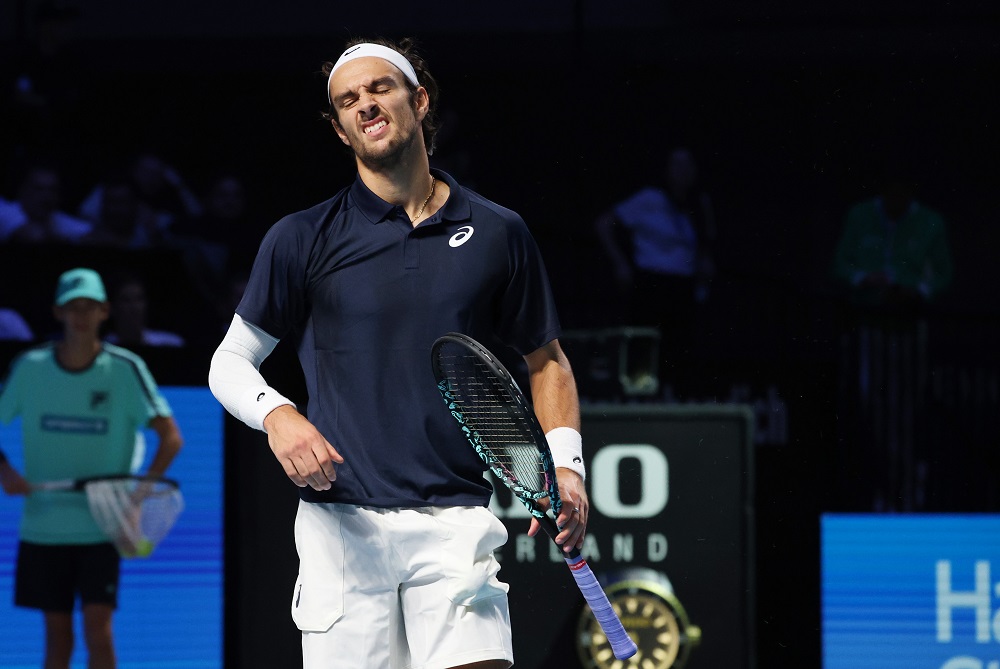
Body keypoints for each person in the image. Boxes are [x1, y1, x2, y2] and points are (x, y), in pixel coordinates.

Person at [208, 37, 587, 669]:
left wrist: (567, 466)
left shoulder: (499, 232)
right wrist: (278, 416)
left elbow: (546, 361)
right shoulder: (300, 237)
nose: (366, 105)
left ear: (420, 100)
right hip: (342, 531)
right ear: (340, 130)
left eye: (379, 88)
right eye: (347, 100)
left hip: (457, 522)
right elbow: (229, 363)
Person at [0, 267, 183, 669]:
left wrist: (134, 500)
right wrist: (6, 472)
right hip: (44, 528)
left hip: (101, 528)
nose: (81, 315)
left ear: (104, 312)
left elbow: (170, 436)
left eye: (90, 307)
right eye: (72, 307)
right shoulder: (30, 368)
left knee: (99, 633)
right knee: (57, 639)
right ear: (57, 312)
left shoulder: (124, 368)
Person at [832, 164, 954, 511]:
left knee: (905, 410)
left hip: (910, 331)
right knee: (875, 410)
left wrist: (918, 291)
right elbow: (840, 265)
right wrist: (863, 280)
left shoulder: (931, 222)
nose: (895, 199)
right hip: (872, 328)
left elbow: (944, 275)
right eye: (890, 191)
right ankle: (889, 485)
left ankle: (907, 484)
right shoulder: (860, 216)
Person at [594, 147, 716, 391]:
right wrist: (620, 264)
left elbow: (706, 243)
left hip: (683, 286)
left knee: (680, 352)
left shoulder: (696, 205)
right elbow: (604, 223)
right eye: (677, 165)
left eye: (688, 166)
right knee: (644, 350)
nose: (683, 172)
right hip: (651, 284)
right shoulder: (650, 199)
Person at [104, 273, 185, 348]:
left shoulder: (170, 344)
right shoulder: (104, 347)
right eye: (126, 300)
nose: (134, 307)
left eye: (139, 299)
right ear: (112, 308)